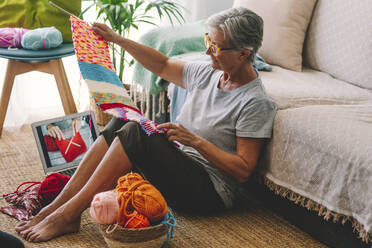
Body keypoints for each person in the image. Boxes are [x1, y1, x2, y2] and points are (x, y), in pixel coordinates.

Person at [15, 7, 277, 242]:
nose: (208, 51)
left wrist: (195, 141)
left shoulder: (254, 102)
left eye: (217, 46)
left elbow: (243, 170)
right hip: (181, 166)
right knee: (124, 119)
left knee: (134, 133)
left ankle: (68, 215)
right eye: (208, 41)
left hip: (209, 192)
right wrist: (116, 39)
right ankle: (58, 206)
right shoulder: (208, 72)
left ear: (244, 54)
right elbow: (162, 65)